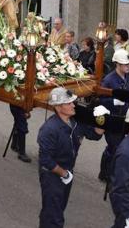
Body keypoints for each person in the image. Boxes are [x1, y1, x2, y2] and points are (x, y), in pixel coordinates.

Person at [37, 87, 105, 228]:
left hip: (67, 172)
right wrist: (63, 173)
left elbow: (95, 134)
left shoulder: (75, 123)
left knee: (57, 209)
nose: (73, 105)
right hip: (52, 175)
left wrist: (103, 120)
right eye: (69, 103)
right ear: (58, 107)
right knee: (54, 216)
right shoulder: (49, 129)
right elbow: (45, 159)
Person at [98, 49, 129, 182]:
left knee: (115, 147)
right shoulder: (108, 80)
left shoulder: (127, 77)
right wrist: (113, 101)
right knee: (114, 147)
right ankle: (107, 173)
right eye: (126, 64)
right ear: (117, 64)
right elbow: (100, 100)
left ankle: (106, 172)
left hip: (124, 117)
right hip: (112, 118)